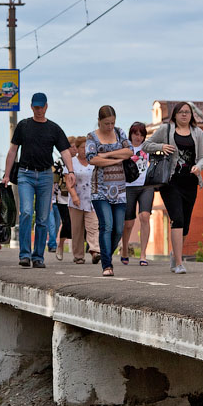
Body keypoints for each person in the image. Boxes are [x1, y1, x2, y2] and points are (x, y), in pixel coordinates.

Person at [3, 93, 74, 269]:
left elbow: (65, 151)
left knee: (42, 217)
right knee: (26, 212)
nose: (39, 110)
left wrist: (70, 170)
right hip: (25, 174)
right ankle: (25, 255)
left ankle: (38, 256)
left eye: (41, 107)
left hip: (45, 175)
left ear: (46, 107)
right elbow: (13, 150)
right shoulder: (24, 126)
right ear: (31, 107)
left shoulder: (53, 128)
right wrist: (6, 174)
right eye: (36, 107)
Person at [143, 102, 203, 275]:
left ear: (191, 115)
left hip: (190, 182)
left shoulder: (198, 133)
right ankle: (179, 263)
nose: (184, 115)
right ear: (175, 115)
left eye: (187, 112)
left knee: (185, 223)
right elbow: (146, 145)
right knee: (177, 218)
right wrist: (161, 147)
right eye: (181, 112)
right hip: (171, 182)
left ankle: (174, 255)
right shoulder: (166, 130)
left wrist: (199, 167)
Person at [85, 105, 133, 277]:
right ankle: (107, 265)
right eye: (106, 124)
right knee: (107, 226)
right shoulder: (92, 137)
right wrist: (114, 159)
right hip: (100, 189)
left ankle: (105, 254)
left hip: (119, 189)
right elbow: (92, 159)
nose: (110, 127)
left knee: (118, 229)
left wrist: (105, 155)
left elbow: (129, 151)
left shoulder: (120, 133)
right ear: (99, 121)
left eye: (112, 123)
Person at [121, 122, 154, 266]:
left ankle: (143, 254)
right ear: (131, 134)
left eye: (141, 135)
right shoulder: (125, 148)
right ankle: (124, 249)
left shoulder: (147, 147)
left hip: (146, 186)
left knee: (145, 216)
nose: (138, 137)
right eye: (136, 134)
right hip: (129, 187)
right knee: (128, 223)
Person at [66, 136, 99, 264]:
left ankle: (95, 251)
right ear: (77, 148)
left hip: (92, 200)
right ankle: (78, 255)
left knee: (93, 227)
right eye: (82, 147)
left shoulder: (94, 161)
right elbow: (68, 182)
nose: (85, 150)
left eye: (87, 147)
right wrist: (74, 196)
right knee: (77, 229)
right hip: (76, 200)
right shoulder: (72, 162)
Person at [51, 157, 71, 261]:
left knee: (81, 226)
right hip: (62, 198)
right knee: (67, 223)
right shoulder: (59, 163)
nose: (74, 150)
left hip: (81, 198)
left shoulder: (80, 162)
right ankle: (60, 245)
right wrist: (50, 199)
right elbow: (53, 182)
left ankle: (79, 253)